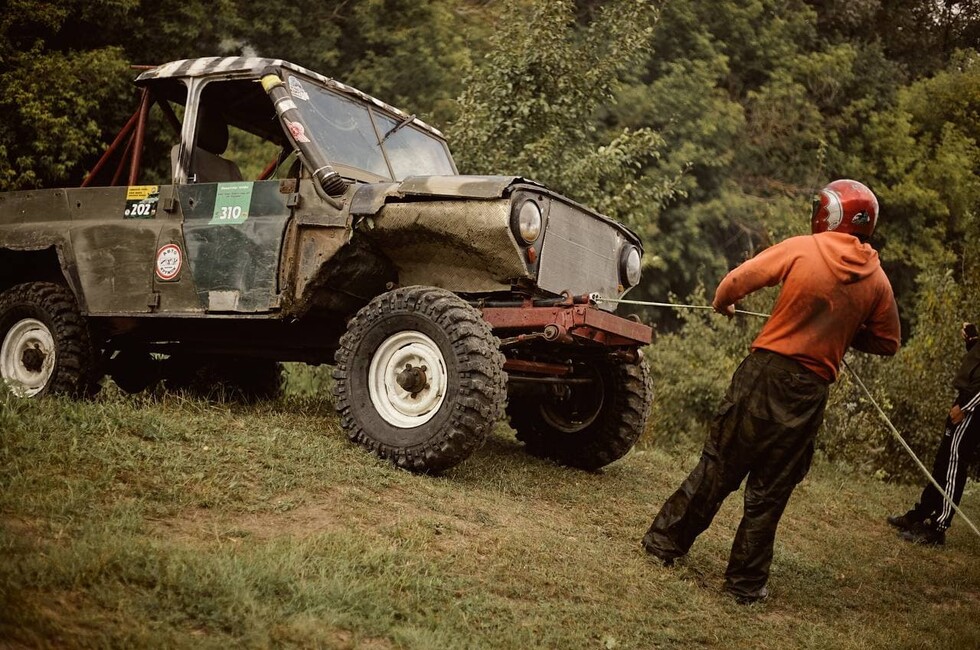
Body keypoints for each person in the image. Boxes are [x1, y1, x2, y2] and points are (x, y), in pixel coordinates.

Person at [642, 179, 901, 604]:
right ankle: (744, 585)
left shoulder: (804, 247)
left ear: (831, 214)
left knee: (719, 465)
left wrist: (722, 301)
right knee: (771, 490)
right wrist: (842, 334)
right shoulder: (878, 280)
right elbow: (888, 342)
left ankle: (664, 543)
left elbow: (738, 280)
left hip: (766, 373)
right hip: (811, 391)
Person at [886, 321, 980, 546]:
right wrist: (973, 342)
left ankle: (938, 528)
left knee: (955, 463)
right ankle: (921, 514)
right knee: (943, 462)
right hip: (966, 399)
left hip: (973, 409)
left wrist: (966, 407)